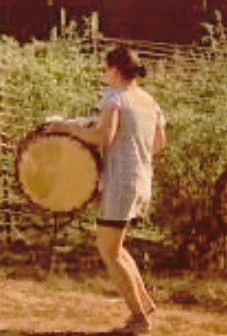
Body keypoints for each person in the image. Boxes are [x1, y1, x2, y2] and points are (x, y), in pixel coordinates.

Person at [50, 46, 166, 335]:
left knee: (108, 250)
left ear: (115, 70)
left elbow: (104, 136)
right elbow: (159, 143)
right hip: (141, 180)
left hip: (121, 183)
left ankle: (139, 319)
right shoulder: (149, 101)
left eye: (104, 68)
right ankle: (145, 304)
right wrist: (134, 151)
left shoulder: (115, 98)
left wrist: (66, 129)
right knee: (116, 247)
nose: (103, 74)